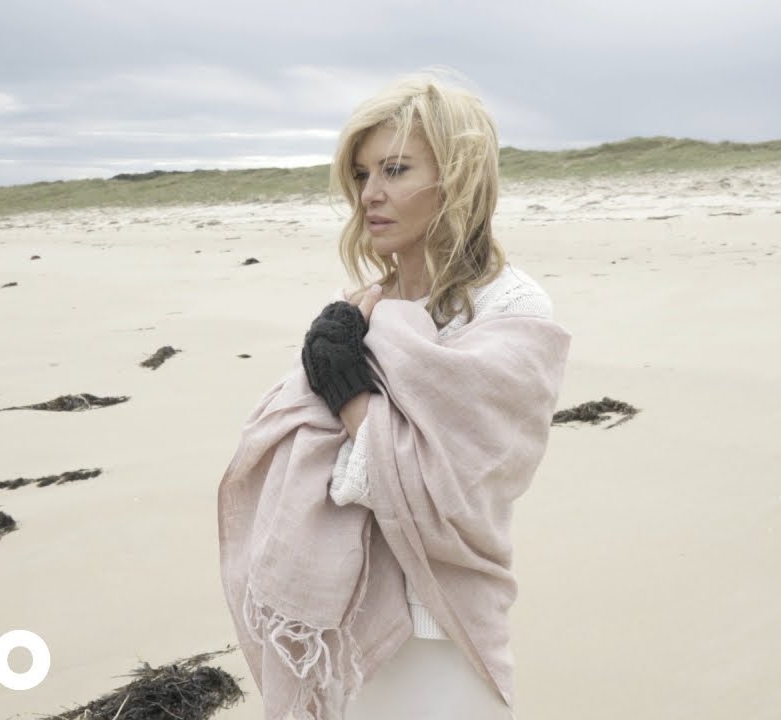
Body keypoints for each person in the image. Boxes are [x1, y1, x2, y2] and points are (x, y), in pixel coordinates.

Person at [218, 72, 571, 720]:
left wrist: (348, 394)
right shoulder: (359, 307)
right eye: (361, 174)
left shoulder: (511, 308)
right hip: (346, 625)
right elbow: (300, 455)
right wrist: (342, 386)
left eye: (395, 169)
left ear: (458, 176)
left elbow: (447, 489)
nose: (369, 195)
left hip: (447, 625)